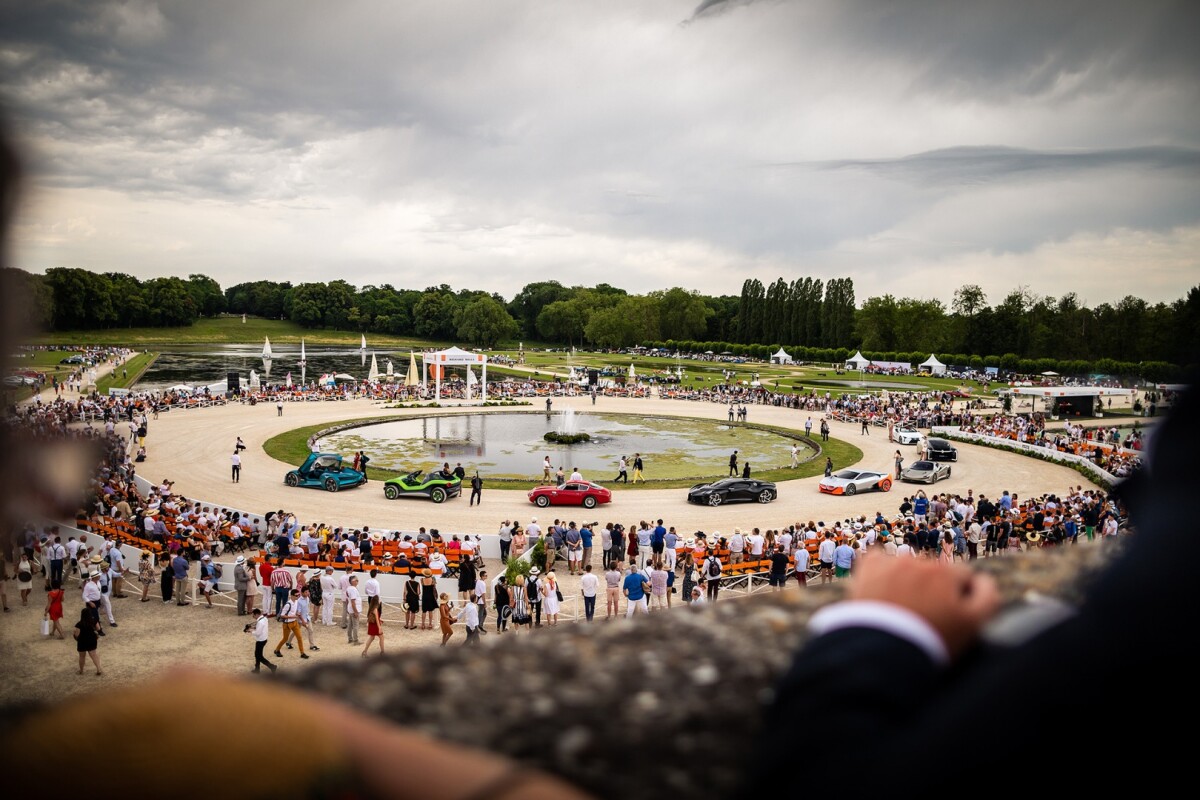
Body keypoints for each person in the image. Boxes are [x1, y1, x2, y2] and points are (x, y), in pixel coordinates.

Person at [246, 608, 276, 673]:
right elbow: (260, 628)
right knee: (257, 654)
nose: (253, 617)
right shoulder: (264, 619)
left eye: (253, 615)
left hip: (260, 641)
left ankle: (272, 666)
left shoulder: (260, 622)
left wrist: (250, 631)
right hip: (264, 639)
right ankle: (257, 668)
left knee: (259, 656)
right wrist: (253, 628)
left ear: (256, 614)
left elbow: (257, 633)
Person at [73, 608, 101, 675]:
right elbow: (98, 628)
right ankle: (98, 669)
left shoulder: (79, 624)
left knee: (82, 656)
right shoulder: (94, 621)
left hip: (82, 641)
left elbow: (77, 634)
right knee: (94, 655)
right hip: (92, 640)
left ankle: (81, 670)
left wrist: (74, 635)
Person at [344, 575, 362, 645]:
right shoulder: (353, 589)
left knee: (350, 625)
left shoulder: (349, 588)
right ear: (353, 581)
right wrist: (356, 611)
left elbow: (348, 600)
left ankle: (350, 638)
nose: (358, 581)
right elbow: (353, 601)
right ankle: (356, 640)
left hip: (350, 608)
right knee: (355, 625)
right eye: (357, 580)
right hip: (354, 609)